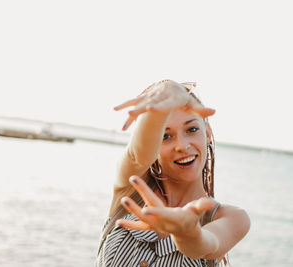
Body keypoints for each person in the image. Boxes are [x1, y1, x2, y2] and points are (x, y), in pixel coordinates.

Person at [96, 80, 250, 267]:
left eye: (191, 129)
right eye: (166, 136)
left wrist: (187, 233)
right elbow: (139, 153)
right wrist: (168, 91)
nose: (182, 146)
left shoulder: (231, 217)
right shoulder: (130, 188)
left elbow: (207, 244)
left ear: (207, 134)